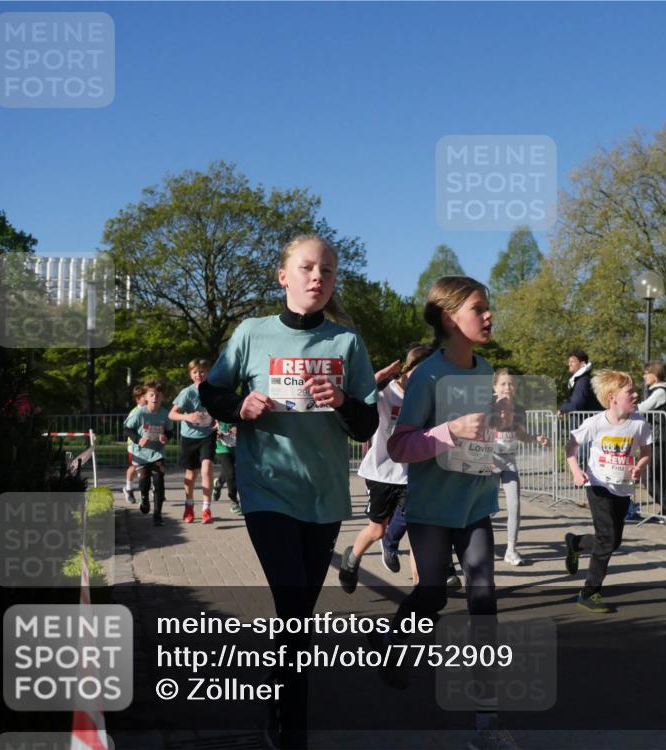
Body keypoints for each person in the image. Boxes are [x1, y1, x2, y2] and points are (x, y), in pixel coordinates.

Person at [198, 234, 378, 750]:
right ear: (284, 276)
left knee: (298, 615)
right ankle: (293, 732)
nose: (317, 277)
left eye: (326, 270)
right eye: (306, 268)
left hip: (322, 496)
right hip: (266, 490)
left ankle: (278, 703)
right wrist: (240, 408)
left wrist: (342, 399)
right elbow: (214, 390)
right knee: (295, 606)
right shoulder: (251, 333)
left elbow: (365, 424)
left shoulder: (346, 343)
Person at [380, 275, 516, 750]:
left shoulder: (485, 369)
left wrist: (494, 432)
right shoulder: (427, 376)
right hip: (432, 509)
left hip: (476, 503)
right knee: (432, 597)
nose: (488, 315)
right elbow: (399, 446)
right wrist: (451, 429)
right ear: (448, 317)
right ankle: (395, 643)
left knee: (484, 600)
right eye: (478, 308)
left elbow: (477, 436)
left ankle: (486, 719)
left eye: (487, 307)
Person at [339, 344, 433, 593]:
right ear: (408, 369)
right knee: (377, 530)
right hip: (381, 473)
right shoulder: (385, 394)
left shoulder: (426, 398)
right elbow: (355, 396)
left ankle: (420, 595)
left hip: (412, 476)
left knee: (417, 534)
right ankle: (351, 559)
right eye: (421, 372)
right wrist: (378, 377)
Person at [562, 370, 651, 614]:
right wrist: (576, 472)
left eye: (635, 390)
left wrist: (639, 467)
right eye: (629, 391)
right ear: (612, 397)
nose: (636, 394)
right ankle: (589, 593)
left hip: (622, 488)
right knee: (607, 539)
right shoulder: (596, 423)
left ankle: (576, 542)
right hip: (598, 485)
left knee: (613, 540)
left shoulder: (639, 423)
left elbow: (646, 452)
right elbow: (570, 446)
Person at [491, 368, 548, 565]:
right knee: (486, 510)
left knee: (514, 506)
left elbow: (520, 435)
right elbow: (478, 435)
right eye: (503, 384)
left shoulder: (520, 409)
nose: (508, 387)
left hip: (509, 463)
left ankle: (511, 550)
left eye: (511, 384)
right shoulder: (488, 407)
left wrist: (535, 438)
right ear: (495, 387)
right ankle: (471, 544)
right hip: (489, 463)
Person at [170, 359, 217, 524]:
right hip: (189, 437)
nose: (199, 375)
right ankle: (189, 505)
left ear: (207, 373)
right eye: (195, 372)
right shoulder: (187, 393)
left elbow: (220, 408)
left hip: (207, 434)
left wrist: (218, 420)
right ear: (191, 374)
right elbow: (172, 414)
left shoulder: (214, 390)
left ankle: (206, 508)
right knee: (191, 474)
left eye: (202, 371)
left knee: (207, 468)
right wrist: (187, 416)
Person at [123, 380, 174, 526]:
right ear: (146, 396)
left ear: (162, 396)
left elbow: (170, 431)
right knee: (144, 482)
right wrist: (138, 439)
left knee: (159, 482)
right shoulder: (140, 413)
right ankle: (144, 496)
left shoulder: (165, 414)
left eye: (158, 395)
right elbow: (126, 429)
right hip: (141, 453)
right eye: (151, 395)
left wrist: (166, 437)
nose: (155, 398)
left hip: (158, 453)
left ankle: (157, 515)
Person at [634, 361, 666, 520]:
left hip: (659, 439)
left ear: (655, 374)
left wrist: (626, 407)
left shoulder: (660, 392)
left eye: (646, 373)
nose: (644, 376)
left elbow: (643, 408)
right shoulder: (658, 390)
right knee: (657, 477)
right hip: (657, 438)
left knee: (648, 477)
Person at [559, 348, 603, 414]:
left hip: (584, 422)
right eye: (569, 362)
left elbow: (576, 405)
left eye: (572, 361)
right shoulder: (581, 379)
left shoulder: (583, 381)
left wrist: (562, 408)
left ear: (582, 364)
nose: (569, 364)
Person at [122, 385, 146, 504]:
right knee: (134, 467)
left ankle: (154, 489)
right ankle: (128, 489)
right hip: (134, 445)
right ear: (137, 399)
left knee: (148, 468)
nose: (146, 398)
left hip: (147, 445)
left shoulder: (150, 410)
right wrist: (137, 438)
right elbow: (127, 428)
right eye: (143, 396)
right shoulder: (134, 412)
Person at [212, 421, 239, 515]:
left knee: (229, 470)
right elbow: (209, 426)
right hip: (222, 446)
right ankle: (234, 501)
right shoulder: (217, 409)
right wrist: (215, 433)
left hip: (237, 445)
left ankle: (218, 483)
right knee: (231, 473)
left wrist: (238, 428)